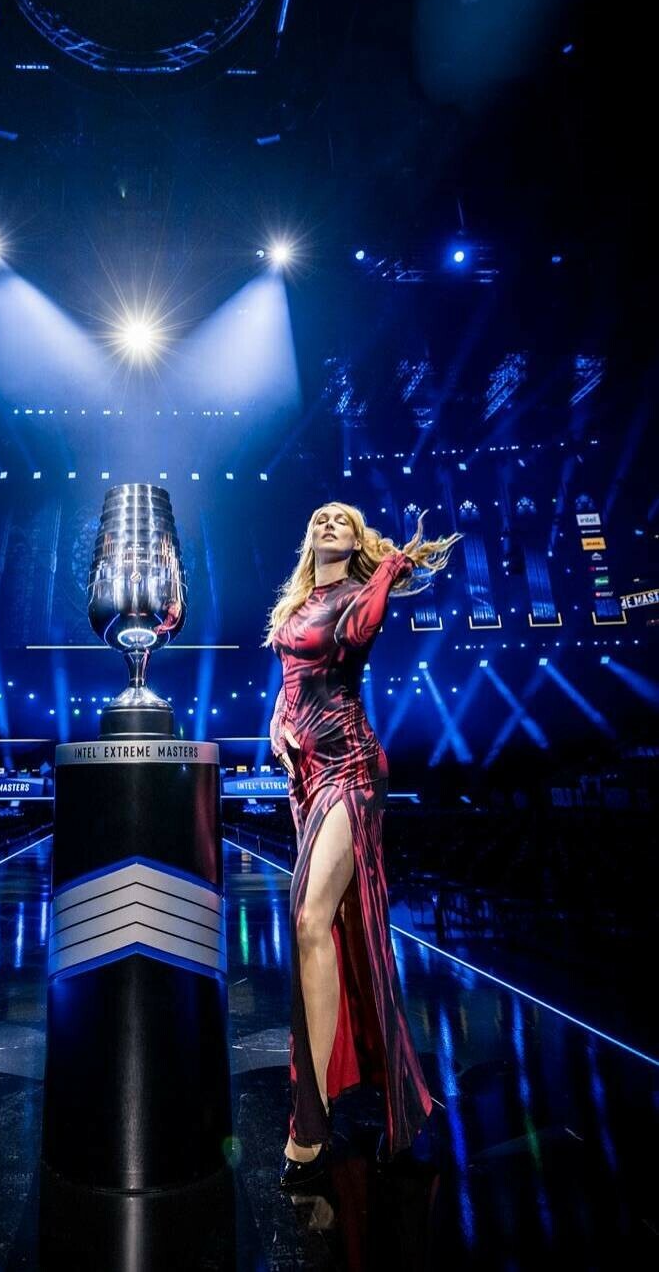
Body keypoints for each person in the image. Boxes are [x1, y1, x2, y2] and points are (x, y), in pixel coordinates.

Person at [263, 501, 462, 1187]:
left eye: (342, 521)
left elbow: (358, 632)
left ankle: (311, 1120)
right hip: (306, 774)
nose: (327, 522)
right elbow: (291, 683)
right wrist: (276, 724)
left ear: (355, 542)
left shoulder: (353, 596)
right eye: (319, 517)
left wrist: (388, 570)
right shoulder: (297, 604)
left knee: (309, 919)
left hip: (350, 768)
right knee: (323, 928)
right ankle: (330, 1102)